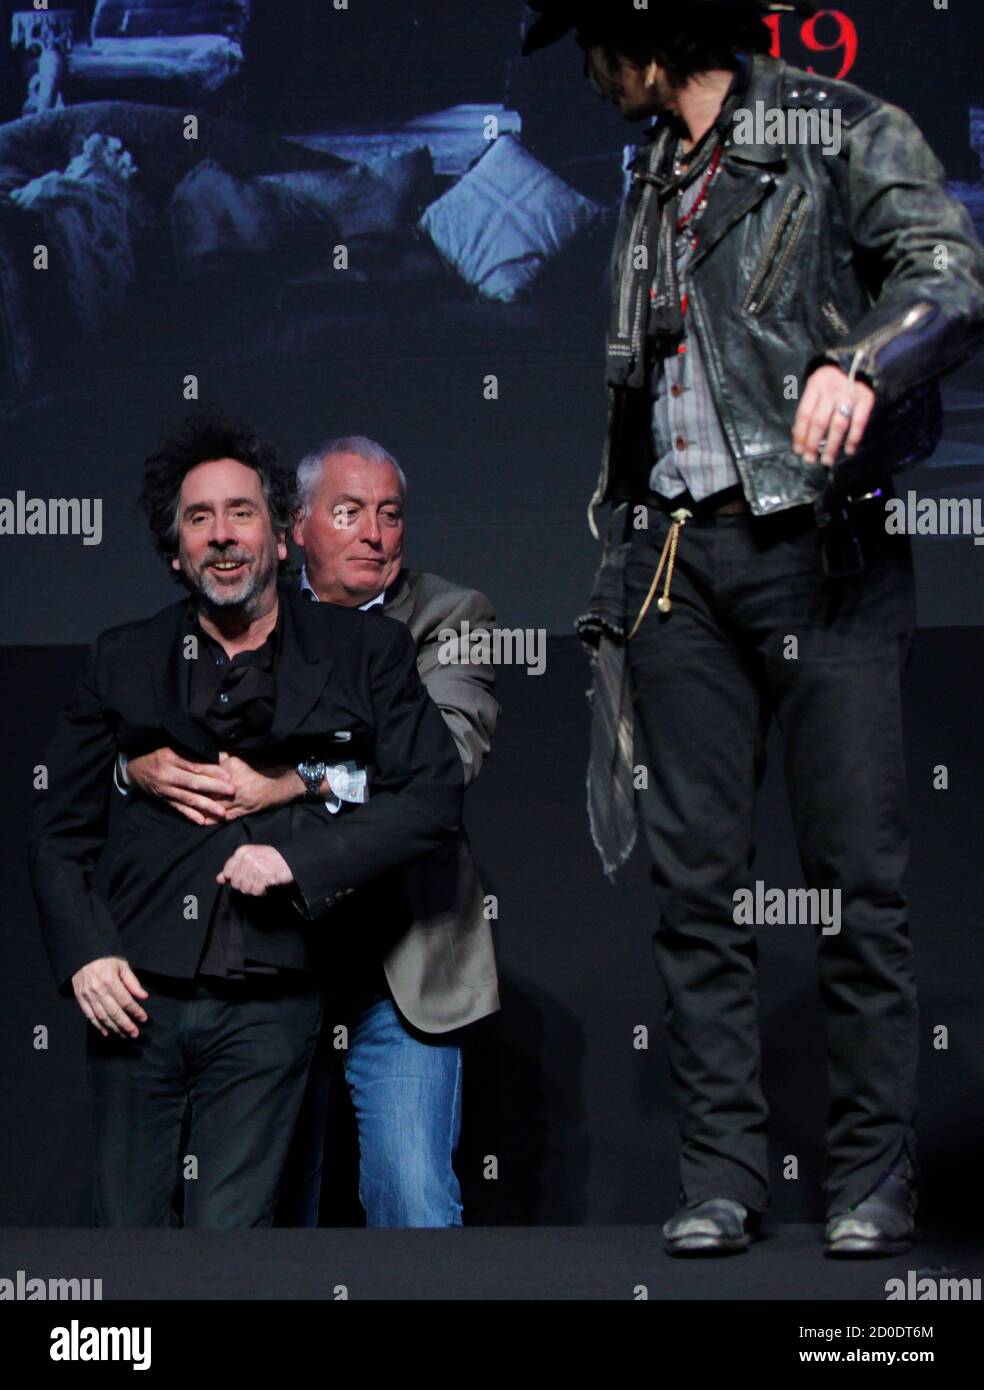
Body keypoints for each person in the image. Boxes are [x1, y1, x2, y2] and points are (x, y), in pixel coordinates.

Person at [522, 0, 984, 1255]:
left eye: (589, 43)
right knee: (694, 889)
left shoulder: (839, 129)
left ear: (646, 31)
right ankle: (722, 1173)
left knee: (856, 885)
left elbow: (949, 274)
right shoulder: (653, 172)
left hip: (818, 549)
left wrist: (869, 359)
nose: (583, 71)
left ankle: (871, 1178)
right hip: (680, 557)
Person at [29, 413, 463, 1227]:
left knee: (233, 1243)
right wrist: (86, 955)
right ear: (176, 552)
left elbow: (432, 796)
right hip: (136, 996)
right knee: (128, 1237)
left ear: (280, 536)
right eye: (200, 520)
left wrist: (300, 860)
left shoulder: (363, 651)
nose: (222, 537)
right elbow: (58, 826)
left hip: (275, 994)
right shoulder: (121, 657)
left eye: (240, 513)